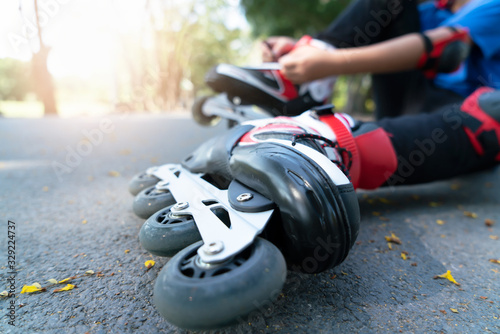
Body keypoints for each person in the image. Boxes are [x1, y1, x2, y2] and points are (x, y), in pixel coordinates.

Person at [262, 0, 500, 120]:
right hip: (408, 103)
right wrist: (300, 49)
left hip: (459, 111)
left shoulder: (491, 6)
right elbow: (386, 41)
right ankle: (303, 79)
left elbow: (445, 47)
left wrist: (329, 63)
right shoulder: (432, 12)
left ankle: (310, 78)